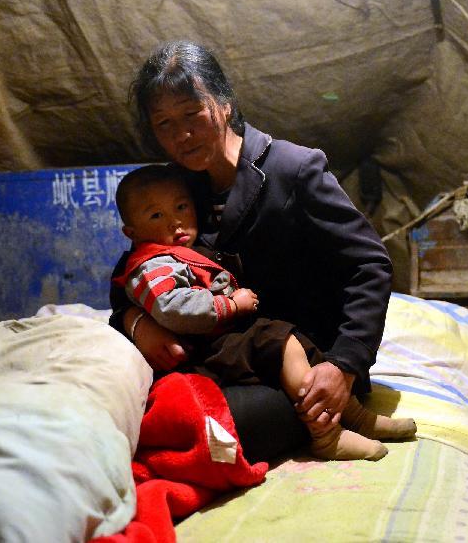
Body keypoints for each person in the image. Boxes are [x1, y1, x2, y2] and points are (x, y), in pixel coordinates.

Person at [110, 40, 395, 462]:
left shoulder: (293, 169)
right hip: (221, 359)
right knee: (139, 413)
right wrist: (135, 323)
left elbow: (370, 265)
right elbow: (133, 274)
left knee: (224, 428)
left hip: (305, 362)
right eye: (164, 123)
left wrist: (345, 365)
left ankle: (336, 416)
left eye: (192, 113)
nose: (182, 135)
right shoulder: (173, 190)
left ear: (224, 103)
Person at [112, 164, 415, 460]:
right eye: (156, 215)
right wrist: (229, 304)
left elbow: (370, 266)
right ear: (131, 231)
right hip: (204, 347)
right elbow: (173, 307)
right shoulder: (154, 263)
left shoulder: (291, 169)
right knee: (278, 342)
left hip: (235, 334)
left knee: (302, 348)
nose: (175, 223)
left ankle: (356, 417)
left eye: (181, 207)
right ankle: (326, 435)